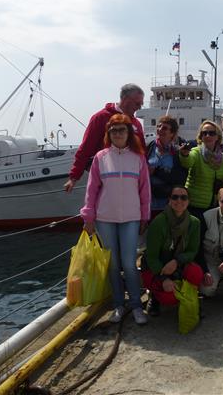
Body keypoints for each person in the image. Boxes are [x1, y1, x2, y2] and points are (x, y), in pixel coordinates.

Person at [80, 114, 150, 324]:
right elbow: (91, 190)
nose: (118, 133)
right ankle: (119, 305)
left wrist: (145, 216)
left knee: (129, 263)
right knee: (112, 264)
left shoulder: (138, 158)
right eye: (114, 130)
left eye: (122, 130)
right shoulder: (100, 158)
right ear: (109, 134)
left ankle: (136, 305)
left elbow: (145, 191)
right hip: (105, 218)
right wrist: (88, 217)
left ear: (129, 133)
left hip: (131, 218)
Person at [65, 84, 146, 193]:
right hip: (106, 178)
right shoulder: (100, 118)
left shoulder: (136, 124)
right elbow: (86, 148)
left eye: (141, 104)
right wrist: (73, 178)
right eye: (137, 103)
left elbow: (142, 152)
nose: (139, 107)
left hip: (130, 180)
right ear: (126, 99)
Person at [141, 186, 204, 317]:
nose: (179, 200)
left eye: (183, 197)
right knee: (168, 298)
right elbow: (151, 257)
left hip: (177, 264)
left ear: (188, 201)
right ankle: (155, 297)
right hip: (157, 266)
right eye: (175, 197)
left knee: (196, 272)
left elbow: (192, 251)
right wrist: (163, 279)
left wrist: (176, 261)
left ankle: (190, 298)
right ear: (169, 200)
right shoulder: (158, 222)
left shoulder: (194, 223)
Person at [179, 120, 223, 224]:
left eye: (211, 133)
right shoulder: (196, 152)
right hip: (194, 206)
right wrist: (184, 154)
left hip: (214, 206)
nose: (207, 135)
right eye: (204, 133)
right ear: (200, 137)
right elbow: (187, 162)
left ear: (217, 137)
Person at [146, 115, 187, 215]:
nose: (160, 129)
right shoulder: (151, 146)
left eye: (164, 128)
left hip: (169, 205)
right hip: (150, 204)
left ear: (172, 133)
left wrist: (156, 171)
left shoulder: (177, 151)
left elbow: (180, 178)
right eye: (158, 126)